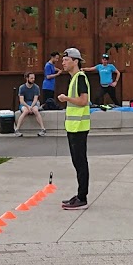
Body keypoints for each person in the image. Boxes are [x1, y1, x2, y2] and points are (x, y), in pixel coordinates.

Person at [58, 48, 91, 210]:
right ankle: (79, 195)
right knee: (77, 162)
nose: (63, 62)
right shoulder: (74, 79)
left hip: (79, 127)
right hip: (73, 127)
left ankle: (82, 197)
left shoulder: (80, 78)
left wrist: (66, 98)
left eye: (66, 59)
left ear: (75, 61)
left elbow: (84, 101)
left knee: (80, 162)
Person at [14, 72, 45, 137]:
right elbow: (21, 100)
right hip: (24, 103)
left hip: (33, 103)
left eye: (34, 78)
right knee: (25, 111)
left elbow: (35, 99)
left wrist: (31, 106)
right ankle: (17, 129)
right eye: (31, 78)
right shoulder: (22, 87)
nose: (33, 79)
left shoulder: (36, 87)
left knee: (36, 111)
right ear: (27, 78)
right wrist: (28, 106)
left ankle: (43, 128)